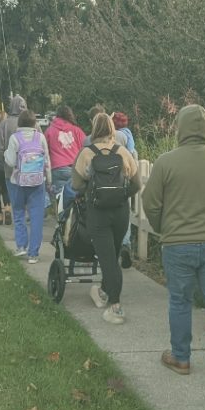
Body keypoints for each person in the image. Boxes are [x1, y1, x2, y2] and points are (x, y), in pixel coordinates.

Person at [142, 104, 205, 391]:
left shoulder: (166, 162)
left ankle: (181, 358)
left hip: (177, 243)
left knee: (180, 300)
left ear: (181, 128)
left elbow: (150, 202)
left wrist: (162, 227)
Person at [71, 113, 140, 326]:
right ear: (112, 130)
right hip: (120, 212)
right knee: (114, 254)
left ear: (93, 130)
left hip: (97, 213)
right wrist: (120, 195)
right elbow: (136, 185)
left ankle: (115, 305)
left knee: (107, 259)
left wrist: (93, 191)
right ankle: (103, 291)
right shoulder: (123, 152)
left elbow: (75, 184)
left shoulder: (86, 153)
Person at [4, 108, 52, 264]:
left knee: (18, 213)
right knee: (36, 217)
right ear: (34, 123)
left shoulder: (14, 138)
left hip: (18, 182)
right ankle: (33, 254)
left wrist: (6, 154)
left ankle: (21, 246)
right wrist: (49, 180)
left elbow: (10, 162)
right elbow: (46, 161)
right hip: (38, 182)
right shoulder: (40, 137)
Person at [45, 105, 86, 204]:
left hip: (57, 169)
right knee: (77, 197)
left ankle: (62, 216)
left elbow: (45, 152)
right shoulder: (77, 130)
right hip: (75, 168)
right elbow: (85, 148)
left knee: (61, 200)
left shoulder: (49, 131)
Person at [112, 111, 138, 267]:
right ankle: (125, 243)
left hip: (107, 179)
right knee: (125, 214)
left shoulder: (110, 135)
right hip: (125, 179)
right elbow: (133, 155)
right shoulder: (128, 136)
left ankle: (112, 246)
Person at [0, 93, 29, 165]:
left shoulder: (3, 124)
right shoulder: (33, 123)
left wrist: (5, 161)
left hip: (10, 169)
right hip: (30, 168)